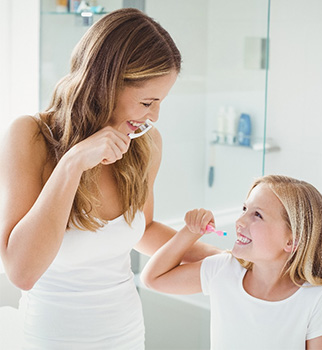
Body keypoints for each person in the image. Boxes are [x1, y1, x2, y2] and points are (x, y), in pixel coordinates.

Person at [0, 8, 220, 349]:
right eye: (148, 102)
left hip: (126, 334)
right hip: (52, 337)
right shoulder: (30, 137)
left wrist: (220, 258)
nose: (155, 116)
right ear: (106, 83)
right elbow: (22, 272)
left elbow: (142, 231)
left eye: (160, 102)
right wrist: (73, 163)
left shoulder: (144, 144)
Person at [141, 175, 322, 350]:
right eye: (244, 209)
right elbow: (153, 278)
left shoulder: (317, 299)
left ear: (291, 241)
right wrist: (190, 232)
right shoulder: (223, 270)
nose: (240, 221)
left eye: (257, 215)